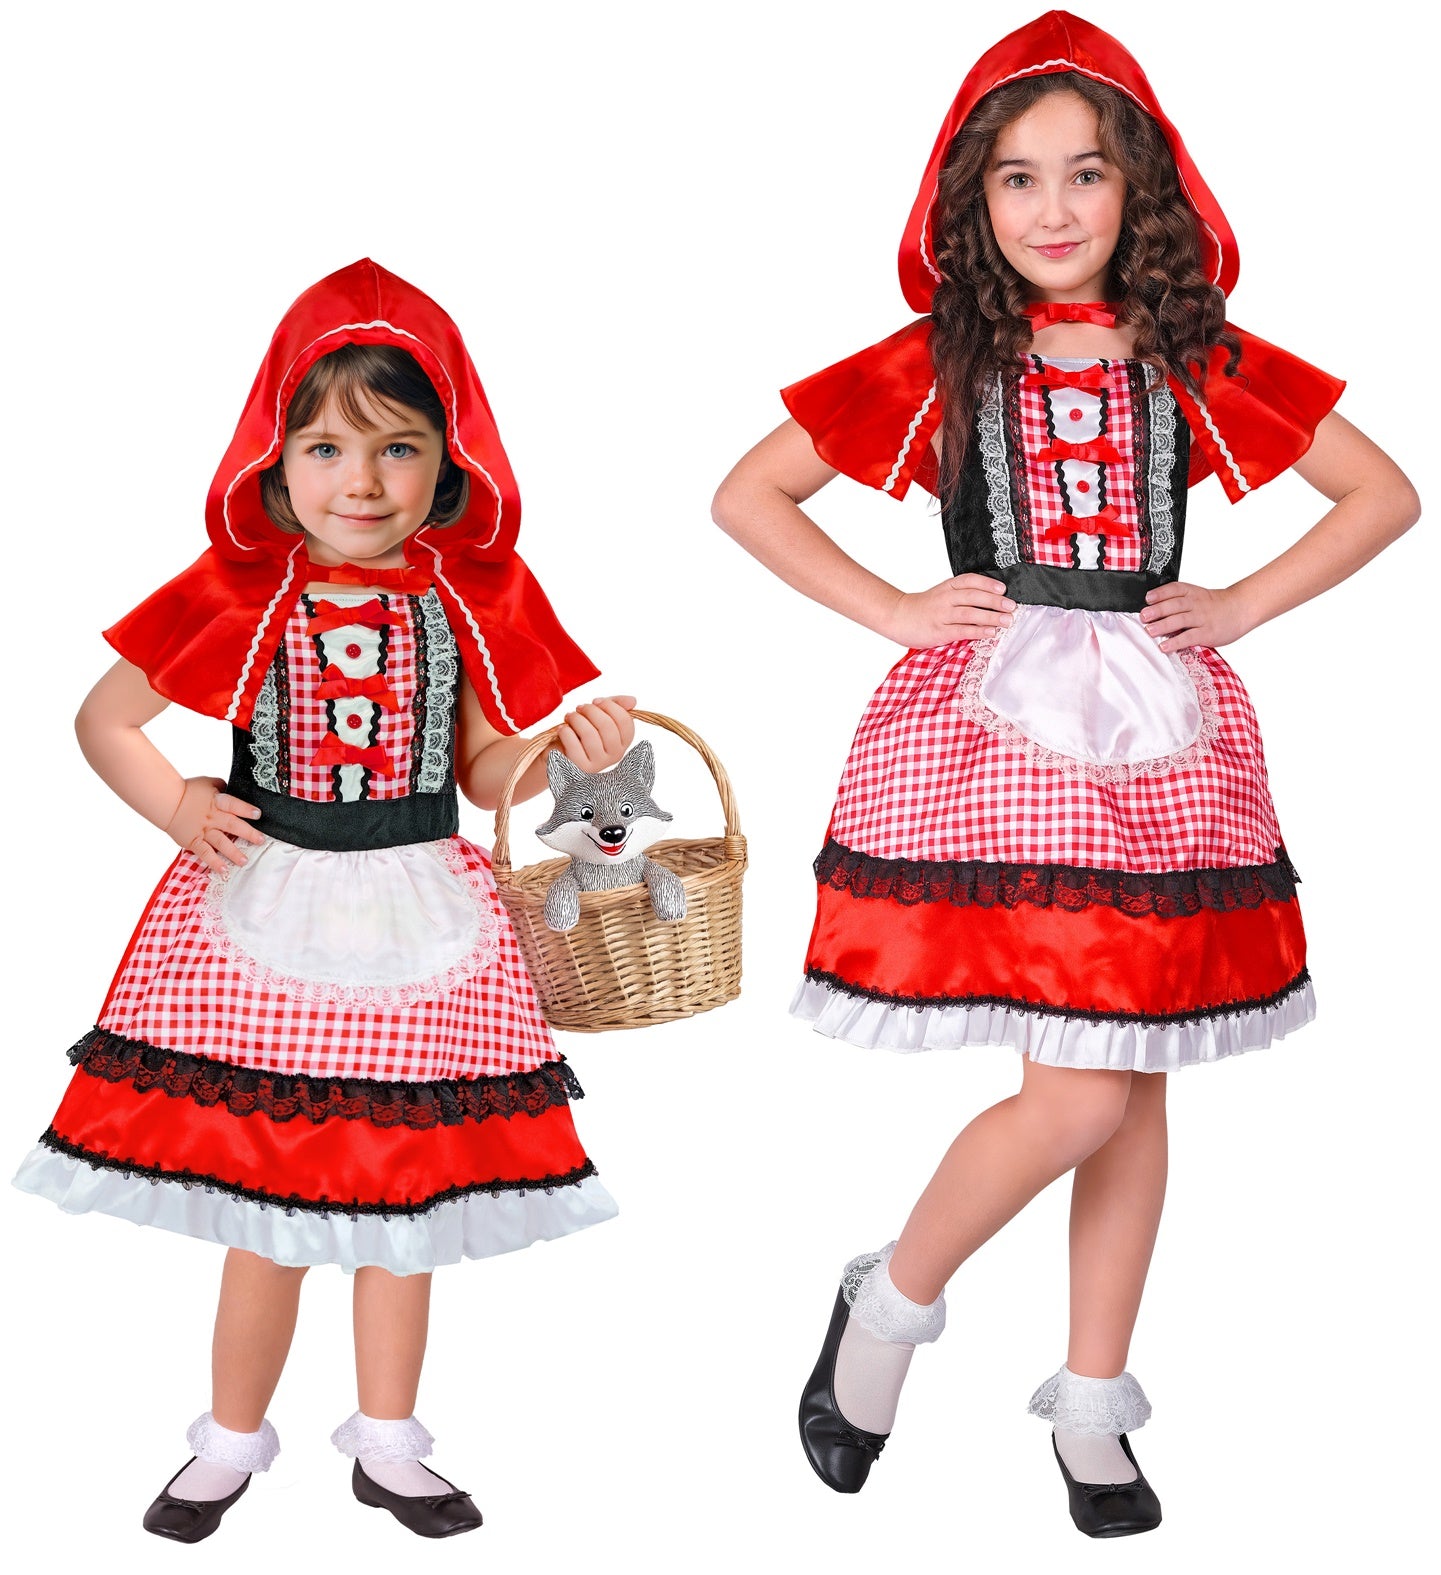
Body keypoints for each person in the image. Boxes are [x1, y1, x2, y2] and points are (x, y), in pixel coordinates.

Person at [712, 10, 1418, 1539]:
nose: (1051, 208)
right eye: (1016, 178)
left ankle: (1093, 1396)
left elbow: (1380, 490)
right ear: (970, 200)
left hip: (1165, 739)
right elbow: (750, 492)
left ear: (1138, 186)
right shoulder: (944, 359)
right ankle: (892, 1296)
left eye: (1084, 173)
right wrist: (894, 607)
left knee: (1130, 1072)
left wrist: (1241, 602)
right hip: (997, 738)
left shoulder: (1193, 353)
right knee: (1083, 1086)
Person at [14, 258, 635, 1542]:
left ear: (450, 464)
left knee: (404, 1199)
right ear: (275, 458)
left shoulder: (471, 598)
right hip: (268, 920)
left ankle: (389, 1445)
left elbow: (483, 772)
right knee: (270, 1204)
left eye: (398, 447)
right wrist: (179, 808)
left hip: (424, 922)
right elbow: (104, 718)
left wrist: (562, 754)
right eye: (327, 448)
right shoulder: (237, 591)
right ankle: (230, 1439)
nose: (362, 481)